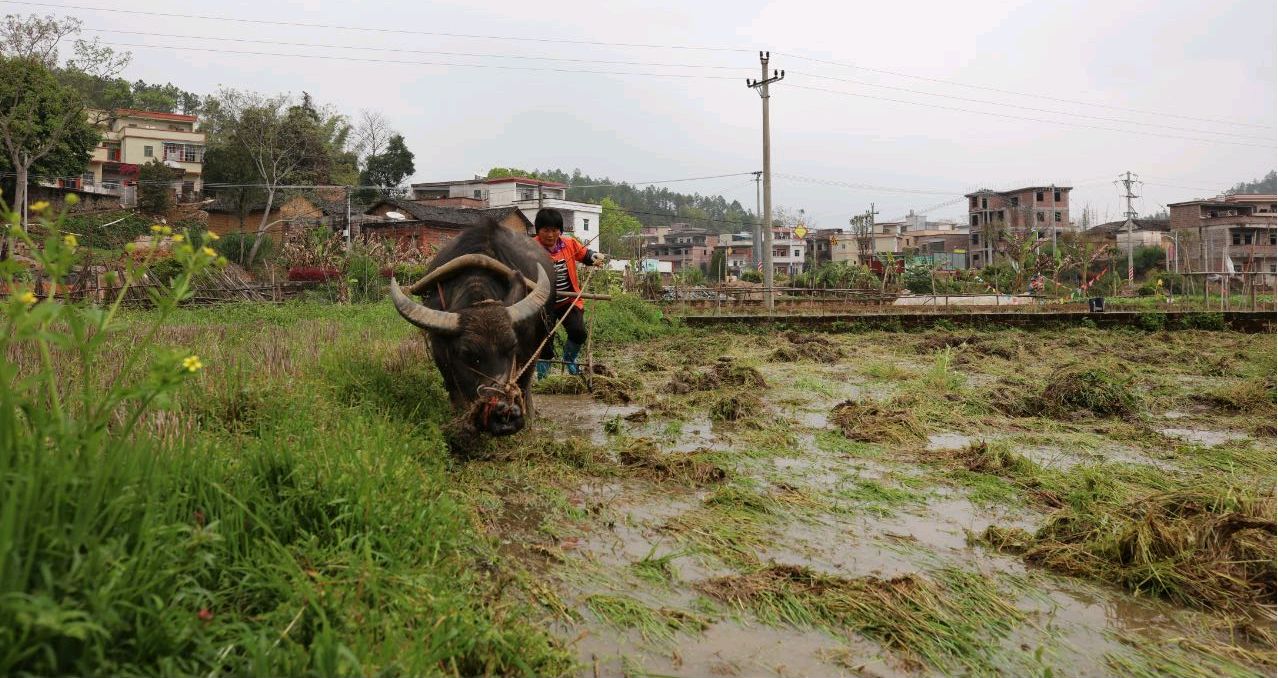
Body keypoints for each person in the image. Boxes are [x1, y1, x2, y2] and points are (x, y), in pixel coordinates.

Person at [533, 209, 607, 378]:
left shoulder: (569, 244)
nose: (550, 235)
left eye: (554, 230)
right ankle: (543, 376)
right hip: (542, 302)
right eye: (546, 230)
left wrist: (594, 256)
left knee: (578, 331)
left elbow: (585, 254)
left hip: (569, 299)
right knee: (544, 339)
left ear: (560, 230)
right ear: (538, 231)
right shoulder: (530, 248)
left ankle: (569, 359)